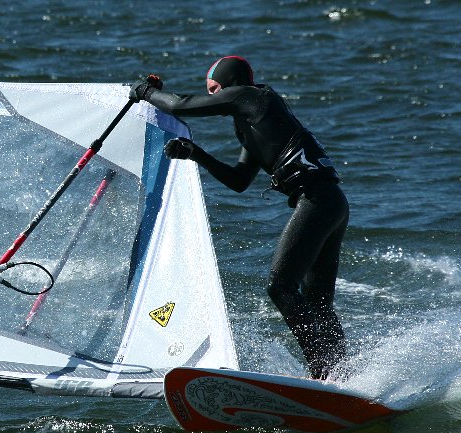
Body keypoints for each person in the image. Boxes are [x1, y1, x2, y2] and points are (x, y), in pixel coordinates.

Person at [129, 56, 349, 380]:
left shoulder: (252, 96)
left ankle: (323, 370)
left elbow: (179, 105)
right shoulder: (251, 124)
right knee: (317, 304)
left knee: (280, 286)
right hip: (330, 203)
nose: (214, 96)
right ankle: (345, 374)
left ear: (231, 83)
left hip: (317, 200)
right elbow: (239, 180)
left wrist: (144, 92)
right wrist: (196, 153)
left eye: (215, 89)